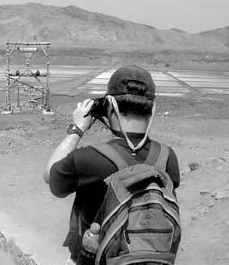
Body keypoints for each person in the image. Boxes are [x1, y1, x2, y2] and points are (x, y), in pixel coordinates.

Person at [44, 65, 180, 265]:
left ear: (109, 106)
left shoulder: (88, 159)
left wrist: (77, 129)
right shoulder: (168, 158)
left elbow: (51, 177)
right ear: (152, 108)